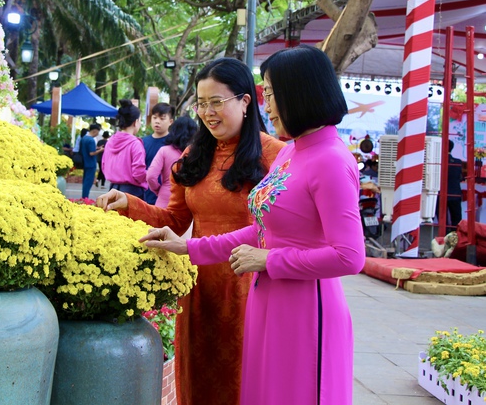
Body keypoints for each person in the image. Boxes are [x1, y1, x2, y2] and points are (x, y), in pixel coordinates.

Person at [139, 45, 365, 405]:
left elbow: (350, 256)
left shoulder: (331, 160)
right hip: (269, 298)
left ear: (300, 91)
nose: (268, 105)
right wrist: (189, 246)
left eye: (271, 93)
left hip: (305, 307)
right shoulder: (293, 153)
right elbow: (263, 228)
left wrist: (268, 260)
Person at [96, 58, 285, 405]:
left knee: (247, 383)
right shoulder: (193, 154)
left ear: (245, 101)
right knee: (198, 381)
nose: (207, 112)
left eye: (217, 102)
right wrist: (128, 202)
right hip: (199, 286)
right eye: (201, 103)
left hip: (253, 286)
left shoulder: (276, 157)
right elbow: (174, 219)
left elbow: (285, 230)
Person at [146, 116, 197, 208]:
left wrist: (158, 190)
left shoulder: (164, 151)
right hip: (187, 202)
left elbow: (151, 176)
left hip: (164, 200)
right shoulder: (195, 154)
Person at [101, 100, 147, 198]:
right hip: (132, 192)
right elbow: (138, 173)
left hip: (112, 189)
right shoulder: (135, 144)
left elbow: (104, 165)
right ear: (135, 122)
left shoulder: (110, 141)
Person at [143, 103, 174, 204]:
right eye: (154, 117)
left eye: (162, 118)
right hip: (143, 194)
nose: (157, 121)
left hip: (166, 198)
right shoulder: (142, 142)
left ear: (170, 121)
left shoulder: (173, 144)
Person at [80, 123, 104, 199]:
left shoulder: (84, 138)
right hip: (91, 163)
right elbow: (91, 153)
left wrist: (97, 148)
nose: (97, 134)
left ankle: (84, 197)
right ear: (95, 131)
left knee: (85, 181)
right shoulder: (91, 140)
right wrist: (101, 150)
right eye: (97, 132)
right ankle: (85, 198)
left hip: (85, 162)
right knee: (88, 182)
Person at [446, 139, 463, 228]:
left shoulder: (439, 161)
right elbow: (460, 177)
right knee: (456, 219)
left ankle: (443, 236)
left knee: (442, 219)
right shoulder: (458, 162)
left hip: (441, 193)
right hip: (455, 193)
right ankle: (456, 237)